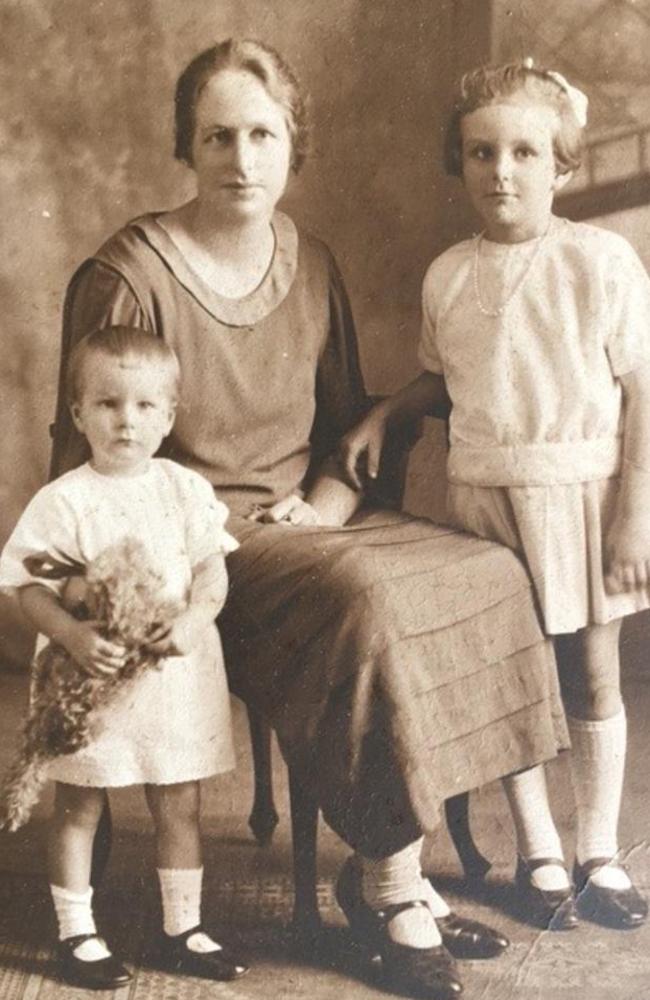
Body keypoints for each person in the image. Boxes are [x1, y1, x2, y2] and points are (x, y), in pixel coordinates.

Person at [49, 40, 570, 1000]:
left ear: (295, 145)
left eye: (262, 134)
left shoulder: (314, 260)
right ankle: (391, 886)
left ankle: (392, 864)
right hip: (196, 542)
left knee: (488, 570)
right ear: (186, 145)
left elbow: (343, 429)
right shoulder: (128, 273)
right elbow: (86, 466)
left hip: (310, 514)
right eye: (216, 136)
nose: (240, 159)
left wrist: (326, 505)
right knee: (363, 598)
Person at [342, 59, 650, 933]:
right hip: (481, 496)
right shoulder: (450, 274)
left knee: (590, 674)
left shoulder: (600, 261)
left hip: (584, 492)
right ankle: (539, 848)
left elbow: (643, 391)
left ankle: (598, 849)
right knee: (514, 679)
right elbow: (447, 381)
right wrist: (384, 414)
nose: (502, 171)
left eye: (525, 152)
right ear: (462, 162)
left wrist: (637, 509)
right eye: (482, 152)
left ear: (562, 165)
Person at [0, 327, 249, 989]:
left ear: (168, 417)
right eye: (108, 404)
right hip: (93, 679)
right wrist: (73, 636)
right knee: (79, 802)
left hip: (172, 676)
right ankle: (76, 932)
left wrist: (195, 620)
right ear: (78, 413)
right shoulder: (65, 499)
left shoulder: (183, 490)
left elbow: (211, 574)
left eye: (144, 406)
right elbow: (28, 588)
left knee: (179, 801)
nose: (125, 421)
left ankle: (182, 928)